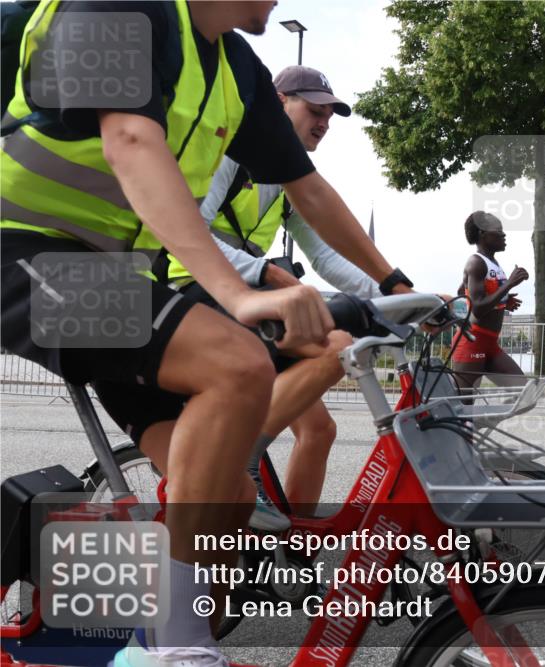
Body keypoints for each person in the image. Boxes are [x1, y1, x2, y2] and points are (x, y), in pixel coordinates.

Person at [0, 2, 410, 664]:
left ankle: (154, 632)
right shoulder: (118, 7)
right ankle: (175, 645)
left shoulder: (235, 70)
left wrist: (395, 285)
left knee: (232, 496)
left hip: (116, 278)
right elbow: (129, 142)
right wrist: (236, 293)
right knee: (237, 364)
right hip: (26, 257)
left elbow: (308, 189)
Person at [101, 66, 381, 529]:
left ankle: (295, 556)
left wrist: (400, 292)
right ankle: (242, 459)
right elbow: (193, 228)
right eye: (314, 110)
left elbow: (329, 260)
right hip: (193, 287)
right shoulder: (231, 153)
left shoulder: (286, 179)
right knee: (334, 349)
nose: (324, 123)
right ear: (278, 103)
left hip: (248, 296)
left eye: (331, 115)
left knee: (319, 429)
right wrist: (270, 272)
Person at [452, 211, 529, 394]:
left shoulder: (491, 262)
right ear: (482, 234)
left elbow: (462, 292)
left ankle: (482, 421)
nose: (504, 235)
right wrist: (509, 284)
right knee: (463, 405)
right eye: (498, 231)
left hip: (489, 342)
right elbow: (477, 308)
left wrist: (503, 301)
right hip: (473, 342)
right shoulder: (476, 263)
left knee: (522, 390)